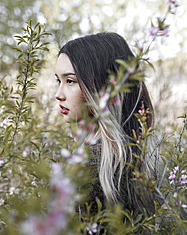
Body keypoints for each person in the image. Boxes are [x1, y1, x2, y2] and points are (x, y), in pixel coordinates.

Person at [54, 32, 159, 217]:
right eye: (58, 80)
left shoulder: (92, 168)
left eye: (70, 81)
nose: (58, 94)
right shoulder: (134, 155)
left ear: (102, 87)